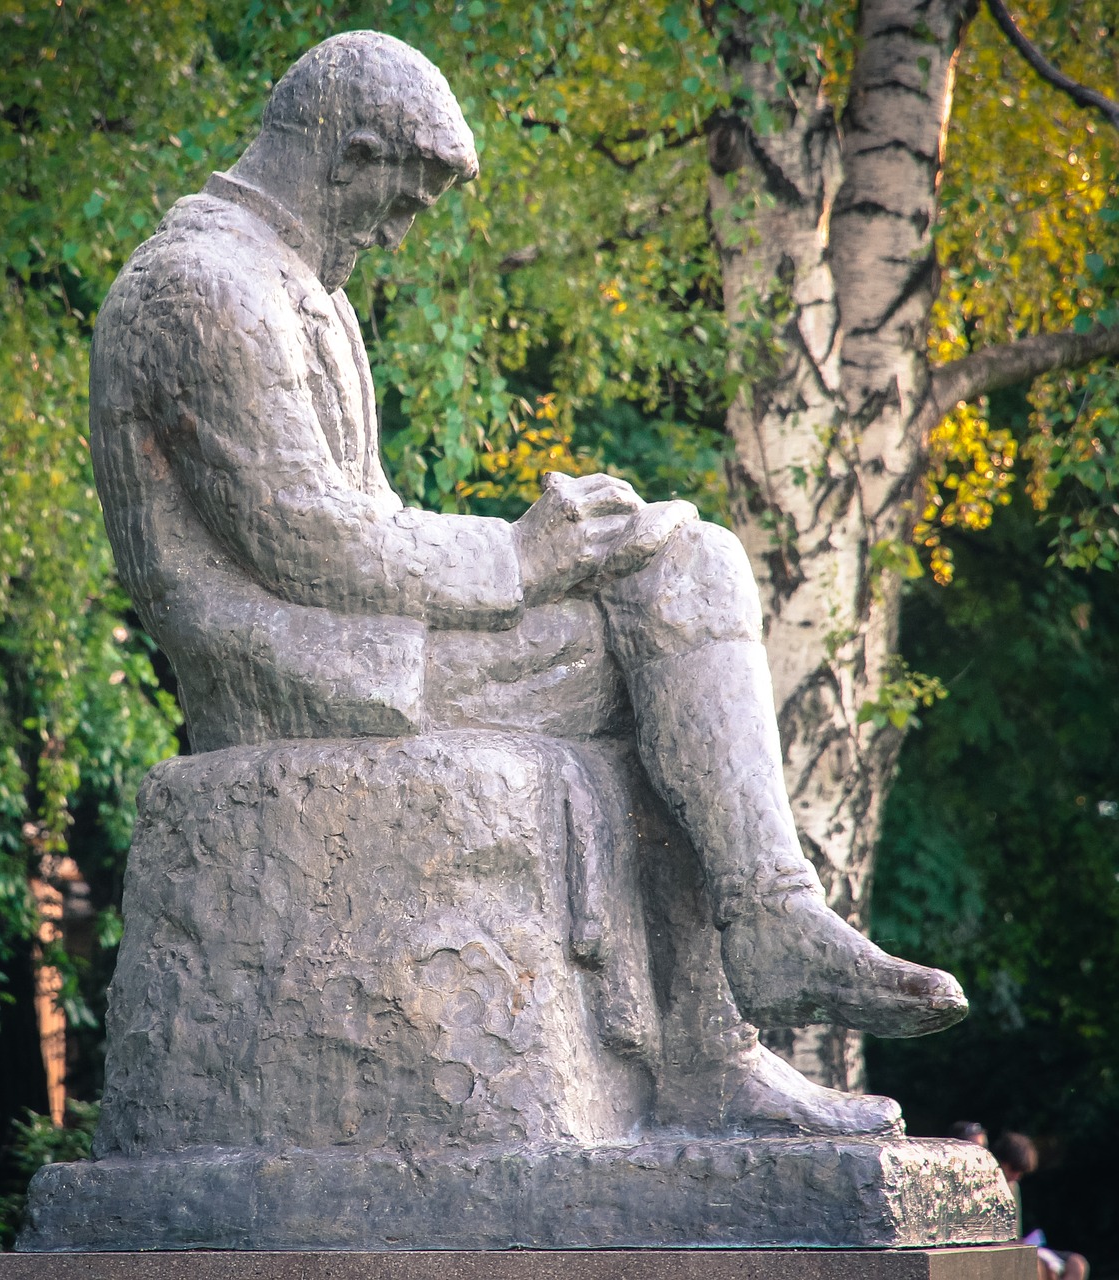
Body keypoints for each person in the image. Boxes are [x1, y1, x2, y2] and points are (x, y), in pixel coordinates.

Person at [90, 30, 965, 1133]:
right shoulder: (204, 288)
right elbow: (303, 538)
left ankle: (771, 929)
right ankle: (722, 1027)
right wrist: (517, 556)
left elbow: (357, 520)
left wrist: (561, 546)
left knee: (683, 555)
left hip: (357, 635)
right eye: (399, 201)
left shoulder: (295, 286)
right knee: (661, 647)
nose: (396, 230)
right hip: (298, 667)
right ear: (347, 152)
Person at [993, 1132, 1089, 1280]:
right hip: (1001, 1249)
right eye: (1014, 1169)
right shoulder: (989, 1188)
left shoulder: (1013, 1187)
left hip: (1019, 1244)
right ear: (1001, 1162)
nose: (1017, 1176)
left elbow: (1014, 1232)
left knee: (1077, 1264)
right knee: (1039, 1266)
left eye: (1021, 1172)